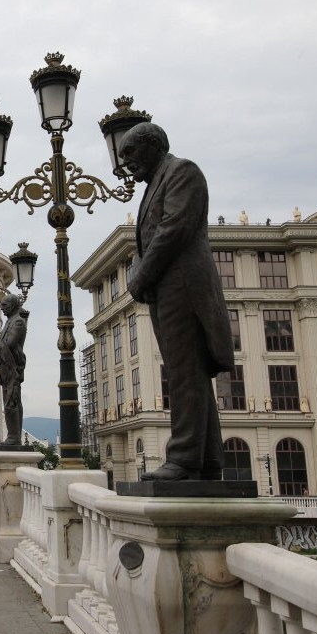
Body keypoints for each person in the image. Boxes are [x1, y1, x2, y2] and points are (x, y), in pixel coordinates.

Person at [122, 122, 234, 481]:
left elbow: (173, 229)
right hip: (168, 287)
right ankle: (208, 459)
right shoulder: (158, 180)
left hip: (183, 284)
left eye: (130, 155)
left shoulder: (181, 171)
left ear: (153, 145)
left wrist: (141, 275)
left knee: (185, 371)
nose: (126, 165)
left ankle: (184, 459)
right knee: (189, 371)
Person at [0, 293, 28, 445]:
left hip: (13, 366)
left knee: (11, 401)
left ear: (12, 305)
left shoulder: (17, 322)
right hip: (6, 365)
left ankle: (13, 437)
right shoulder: (9, 322)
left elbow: (10, 343)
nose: (2, 308)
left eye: (4, 305)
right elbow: (3, 343)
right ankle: (13, 435)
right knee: (9, 400)